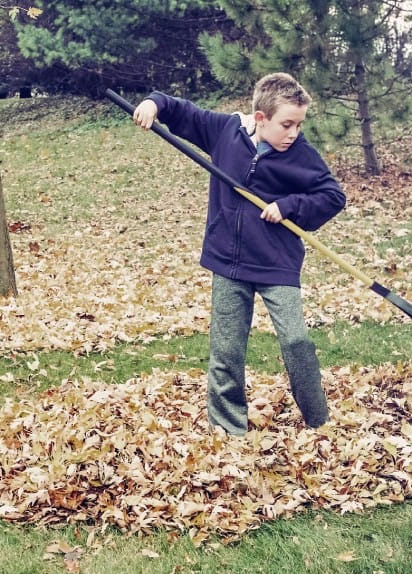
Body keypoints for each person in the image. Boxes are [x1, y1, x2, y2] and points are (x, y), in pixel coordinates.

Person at [131, 73, 346, 433]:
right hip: (228, 262)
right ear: (261, 118)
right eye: (287, 124)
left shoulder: (300, 154)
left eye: (299, 124)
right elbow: (180, 111)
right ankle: (227, 431)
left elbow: (332, 196)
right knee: (227, 352)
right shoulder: (225, 132)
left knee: (296, 342)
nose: (293, 133)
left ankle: (319, 423)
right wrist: (153, 103)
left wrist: (288, 205)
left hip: (276, 263)